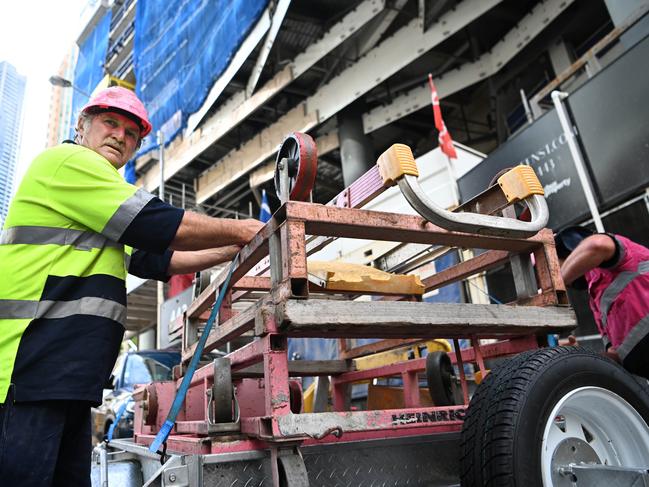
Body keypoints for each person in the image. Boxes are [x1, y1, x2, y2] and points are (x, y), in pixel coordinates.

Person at [0, 86, 264, 486]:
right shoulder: (67, 163)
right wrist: (244, 229)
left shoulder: (97, 213)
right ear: (82, 127)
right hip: (29, 370)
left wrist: (236, 250)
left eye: (130, 134)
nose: (120, 137)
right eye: (110, 123)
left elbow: (164, 259)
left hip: (65, 378)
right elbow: (163, 225)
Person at [555, 226, 649, 377]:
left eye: (556, 266)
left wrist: (555, 284)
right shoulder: (598, 299)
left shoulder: (619, 256)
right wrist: (576, 355)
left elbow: (596, 245)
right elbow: (616, 356)